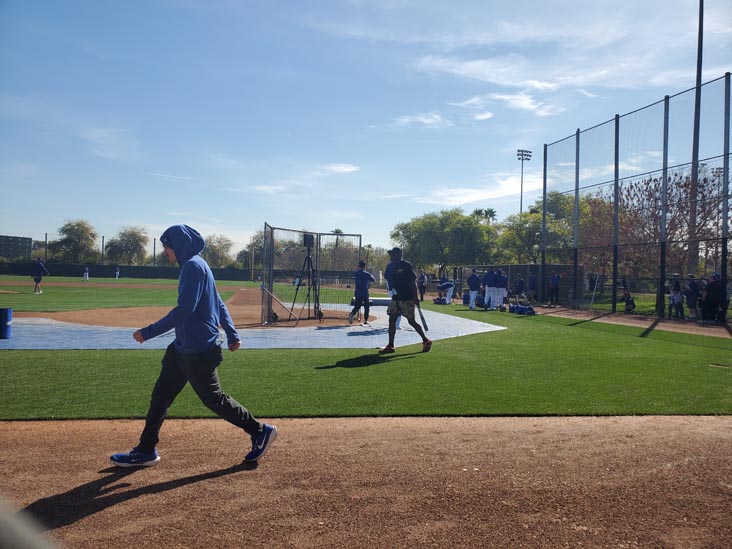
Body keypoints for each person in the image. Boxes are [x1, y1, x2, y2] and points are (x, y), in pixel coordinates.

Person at [110, 225, 277, 468]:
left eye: (167, 246)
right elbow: (218, 301)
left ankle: (260, 431)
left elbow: (185, 310)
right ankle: (146, 449)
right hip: (182, 347)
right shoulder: (199, 264)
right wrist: (231, 332)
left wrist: (148, 332)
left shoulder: (193, 266)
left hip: (198, 349)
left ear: (179, 245)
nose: (165, 252)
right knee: (160, 397)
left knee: (214, 399)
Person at [379, 247, 432, 354]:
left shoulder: (406, 265)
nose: (391, 256)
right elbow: (389, 280)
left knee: (411, 321)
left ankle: (426, 340)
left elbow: (413, 282)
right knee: (391, 320)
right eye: (391, 254)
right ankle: (391, 345)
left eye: (393, 254)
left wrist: (415, 297)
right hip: (396, 298)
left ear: (399, 254)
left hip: (407, 298)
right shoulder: (390, 266)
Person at [349, 260, 376, 325]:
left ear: (359, 266)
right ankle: (365, 320)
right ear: (364, 266)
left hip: (358, 292)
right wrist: (370, 274)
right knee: (366, 307)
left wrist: (357, 269)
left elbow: (356, 272)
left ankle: (352, 313)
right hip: (365, 292)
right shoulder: (366, 274)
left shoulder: (356, 273)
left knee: (357, 306)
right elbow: (373, 280)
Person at [384, 256, 402, 329]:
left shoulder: (389, 265)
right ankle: (396, 324)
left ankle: (394, 323)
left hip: (391, 289)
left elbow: (385, 276)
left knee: (396, 305)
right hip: (397, 289)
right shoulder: (400, 265)